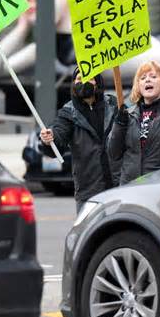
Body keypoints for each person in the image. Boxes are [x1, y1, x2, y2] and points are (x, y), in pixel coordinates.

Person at [39, 67, 120, 213]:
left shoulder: (114, 105)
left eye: (88, 77)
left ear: (98, 82)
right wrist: (50, 138)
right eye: (78, 78)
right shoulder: (68, 112)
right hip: (88, 190)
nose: (82, 81)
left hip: (119, 187)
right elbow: (59, 133)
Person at [108, 60, 160, 185]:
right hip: (130, 186)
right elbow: (113, 153)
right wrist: (119, 124)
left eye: (153, 76)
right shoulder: (127, 115)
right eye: (143, 78)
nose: (147, 80)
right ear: (138, 85)